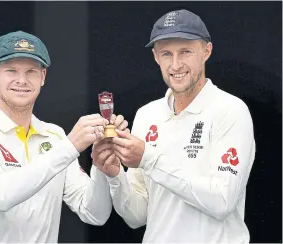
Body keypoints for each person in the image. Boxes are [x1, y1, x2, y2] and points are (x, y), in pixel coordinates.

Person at [0, 30, 127, 243]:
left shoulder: (54, 136)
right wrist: (70, 146)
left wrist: (101, 167)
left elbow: (94, 213)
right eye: (11, 70)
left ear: (43, 77)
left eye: (31, 71)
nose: (22, 80)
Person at [91, 9, 256, 243]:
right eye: (167, 54)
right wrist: (115, 175)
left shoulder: (230, 110)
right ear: (156, 57)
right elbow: (137, 216)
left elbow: (222, 201)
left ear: (206, 51)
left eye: (185, 51)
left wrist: (148, 157)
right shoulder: (147, 115)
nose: (175, 64)